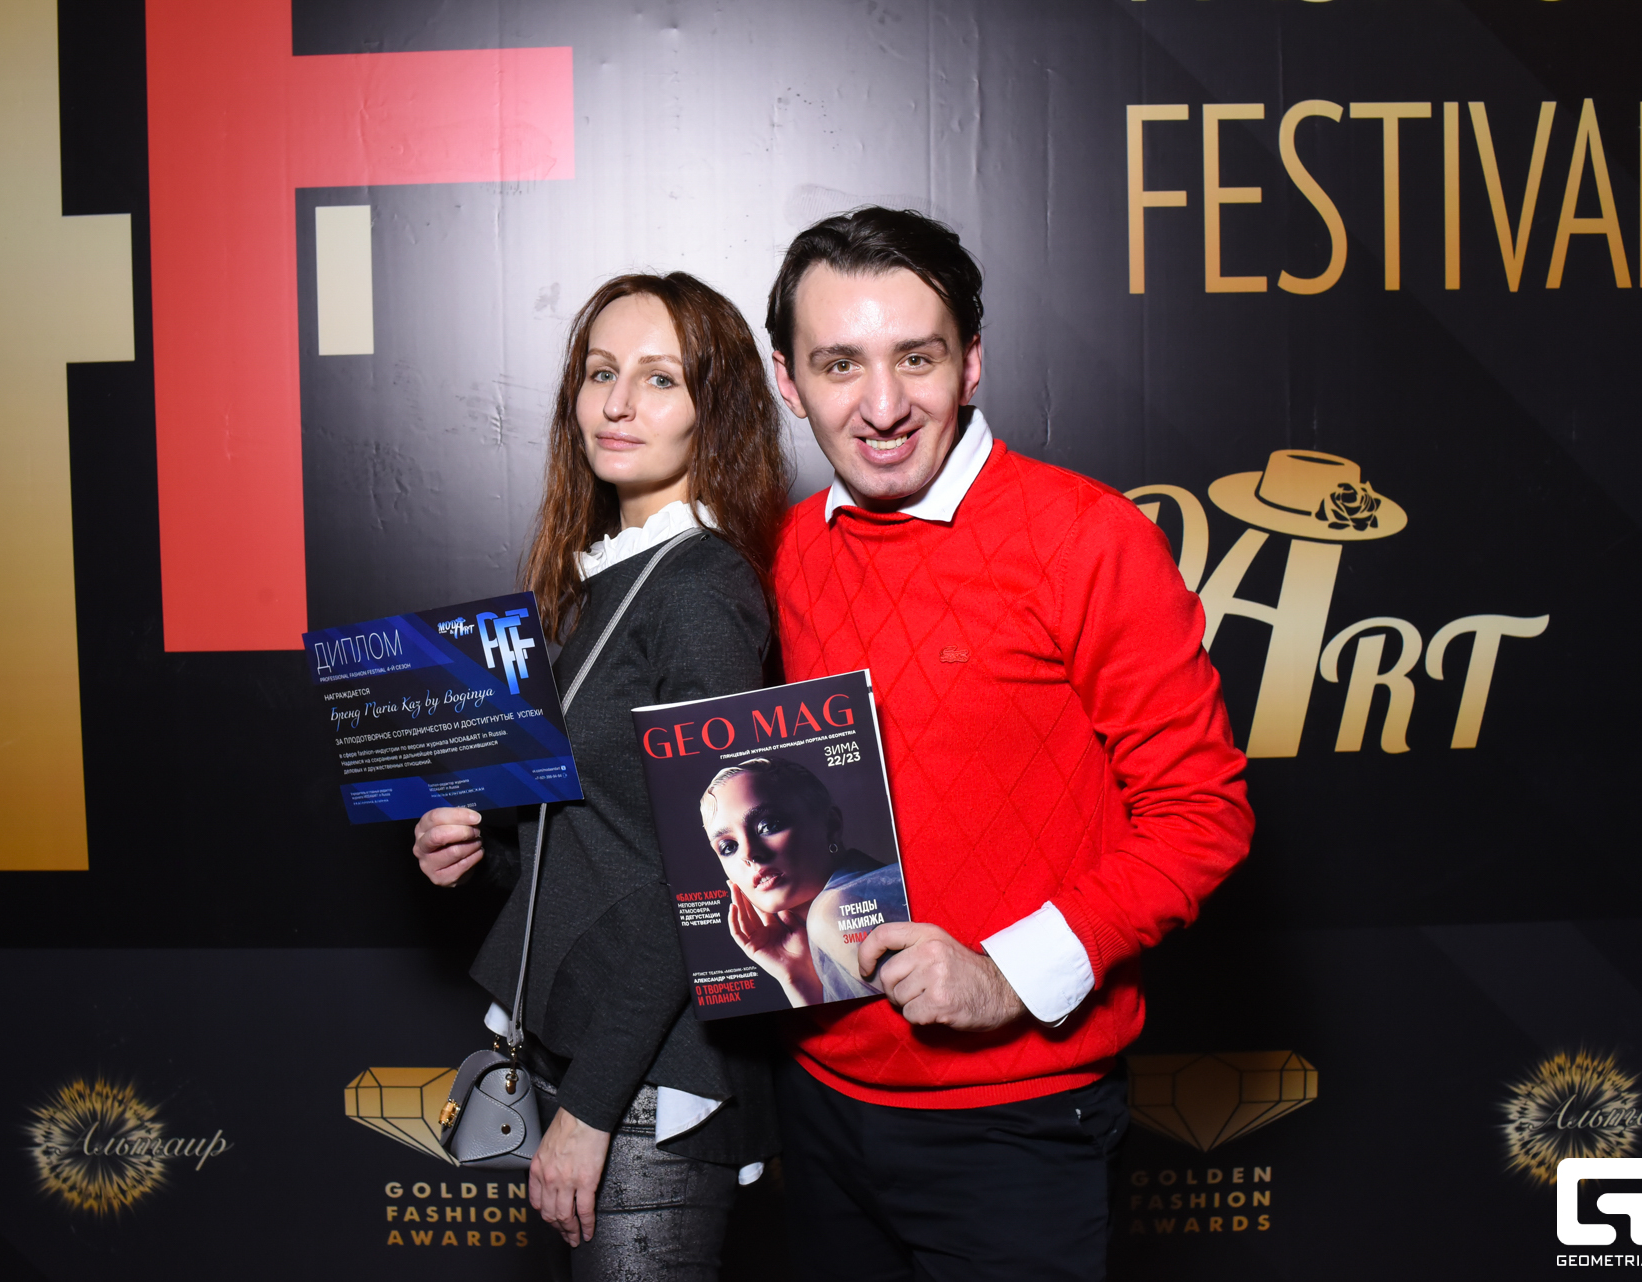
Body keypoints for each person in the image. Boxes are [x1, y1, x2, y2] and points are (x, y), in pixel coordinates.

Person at [763, 207, 1254, 1280]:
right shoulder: (784, 552)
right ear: (790, 382)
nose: (882, 406)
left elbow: (1202, 815)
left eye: (918, 358)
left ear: (972, 362)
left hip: (1018, 1123)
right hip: (818, 1102)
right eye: (840, 364)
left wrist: (1006, 977)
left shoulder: (1089, 539)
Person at [411, 272, 789, 1281]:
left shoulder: (698, 591)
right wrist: (482, 847)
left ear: (715, 410)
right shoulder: (608, 577)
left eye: (660, 379)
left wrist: (589, 1111)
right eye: (600, 372)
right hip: (604, 1052)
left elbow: (709, 879)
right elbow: (599, 847)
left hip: (653, 1084)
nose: (617, 403)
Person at [700, 756, 905, 1008]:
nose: (750, 854)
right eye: (728, 847)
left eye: (768, 825)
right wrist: (797, 977)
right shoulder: (825, 927)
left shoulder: (834, 911)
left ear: (831, 826)